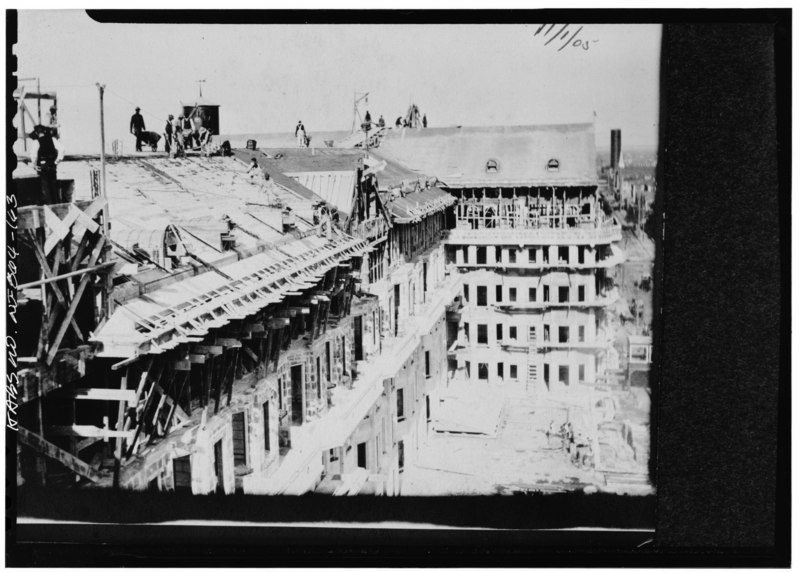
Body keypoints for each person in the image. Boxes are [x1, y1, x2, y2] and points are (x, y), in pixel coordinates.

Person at [29, 125, 64, 204]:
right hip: (52, 165)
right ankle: (57, 206)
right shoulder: (52, 139)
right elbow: (62, 149)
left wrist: (34, 165)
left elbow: (33, 155)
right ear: (44, 132)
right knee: (54, 187)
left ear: (36, 133)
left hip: (43, 166)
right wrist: (57, 161)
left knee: (46, 189)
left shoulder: (36, 142)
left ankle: (50, 208)